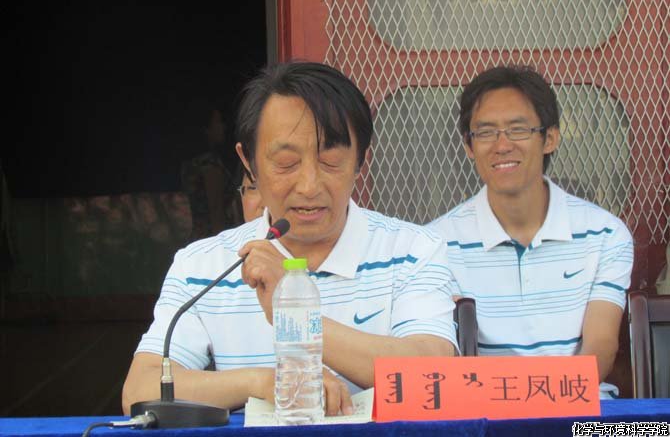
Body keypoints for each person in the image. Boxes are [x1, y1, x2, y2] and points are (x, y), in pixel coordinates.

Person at [123, 61, 457, 416]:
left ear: (360, 159)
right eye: (286, 163)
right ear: (248, 162)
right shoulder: (202, 266)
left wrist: (294, 314)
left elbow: (433, 374)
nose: (309, 186)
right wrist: (264, 382)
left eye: (331, 161)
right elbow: (140, 390)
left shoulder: (414, 251)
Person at [428, 65, 633, 398]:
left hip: (580, 405)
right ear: (468, 145)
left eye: (518, 129)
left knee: (641, 427)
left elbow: (601, 346)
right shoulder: (434, 244)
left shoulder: (606, 234)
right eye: (485, 132)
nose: (502, 145)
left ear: (549, 138)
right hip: (487, 409)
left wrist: (547, 410)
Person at [180, 105, 237, 241]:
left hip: (199, 238)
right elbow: (216, 209)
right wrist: (222, 244)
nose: (223, 127)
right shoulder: (209, 164)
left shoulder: (191, 163)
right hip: (212, 239)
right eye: (218, 122)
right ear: (206, 129)